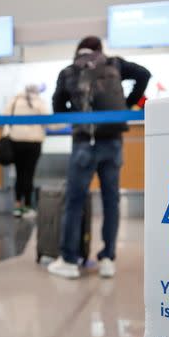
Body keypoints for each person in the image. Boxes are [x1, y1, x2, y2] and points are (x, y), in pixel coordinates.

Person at [48, 36, 150, 279]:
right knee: (110, 201)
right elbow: (144, 74)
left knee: (74, 202)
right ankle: (107, 260)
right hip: (113, 140)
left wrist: (78, 113)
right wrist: (126, 105)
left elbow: (57, 108)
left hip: (84, 142)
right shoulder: (113, 64)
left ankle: (70, 261)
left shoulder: (68, 71)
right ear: (99, 50)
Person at [4, 84, 49, 218]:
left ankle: (17, 206)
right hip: (33, 143)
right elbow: (48, 120)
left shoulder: (15, 100)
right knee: (29, 174)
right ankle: (28, 206)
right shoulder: (39, 102)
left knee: (19, 174)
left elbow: (6, 116)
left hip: (16, 141)